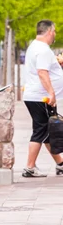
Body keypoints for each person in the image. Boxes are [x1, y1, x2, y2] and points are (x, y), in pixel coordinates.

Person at [22, 20, 63, 177]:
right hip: (42, 97)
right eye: (55, 32)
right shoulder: (43, 50)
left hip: (37, 96)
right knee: (40, 131)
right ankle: (30, 168)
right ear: (50, 31)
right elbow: (42, 72)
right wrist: (51, 93)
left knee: (48, 130)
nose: (55, 35)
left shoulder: (34, 46)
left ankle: (60, 163)